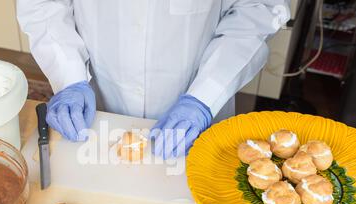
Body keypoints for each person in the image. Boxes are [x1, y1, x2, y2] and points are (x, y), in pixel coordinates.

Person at [17, 0, 290, 159]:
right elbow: (43, 5)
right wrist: (69, 76)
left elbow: (258, 9)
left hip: (199, 107)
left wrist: (206, 96)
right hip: (98, 105)